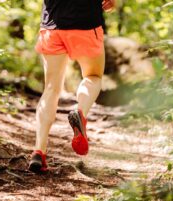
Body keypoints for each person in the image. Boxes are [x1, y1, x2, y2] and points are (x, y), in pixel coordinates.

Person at [29, 0, 115, 173]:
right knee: (93, 76)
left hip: (52, 26)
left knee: (51, 88)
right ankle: (80, 112)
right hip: (86, 23)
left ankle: (39, 151)